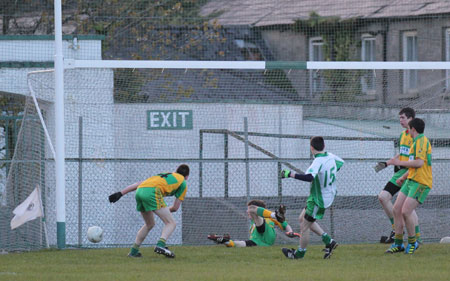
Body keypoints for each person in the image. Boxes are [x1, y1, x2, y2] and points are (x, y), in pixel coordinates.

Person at [280, 136, 344, 259]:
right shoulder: (330, 156)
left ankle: (299, 254)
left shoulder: (318, 162)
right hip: (323, 194)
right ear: (324, 146)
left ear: (311, 148)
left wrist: (290, 174)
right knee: (302, 219)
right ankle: (329, 241)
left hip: (319, 199)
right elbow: (340, 163)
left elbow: (309, 177)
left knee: (304, 227)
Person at [108, 164, 190, 258]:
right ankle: (160, 245)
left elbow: (139, 184)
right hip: (152, 192)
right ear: (187, 176)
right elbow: (175, 208)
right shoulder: (183, 182)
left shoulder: (165, 174)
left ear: (175, 171)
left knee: (149, 224)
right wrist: (163, 211)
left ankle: (134, 251)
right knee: (171, 223)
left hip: (140, 191)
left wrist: (120, 193)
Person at [385, 118, 431, 254]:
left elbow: (419, 163)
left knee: (405, 211)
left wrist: (400, 163)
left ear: (413, 130)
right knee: (396, 209)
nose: (407, 131)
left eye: (409, 129)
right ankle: (398, 244)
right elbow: (413, 165)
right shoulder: (415, 143)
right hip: (411, 179)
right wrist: (403, 177)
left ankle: (413, 242)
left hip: (421, 182)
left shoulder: (422, 141)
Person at [375, 107, 421, 244]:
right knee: (383, 197)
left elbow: (418, 161)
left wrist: (406, 174)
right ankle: (396, 229)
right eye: (399, 118)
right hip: (400, 172)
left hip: (411, 173)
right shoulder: (403, 135)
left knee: (407, 207)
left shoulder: (417, 137)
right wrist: (388, 163)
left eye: (403, 118)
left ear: (411, 119)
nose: (400, 120)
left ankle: (416, 238)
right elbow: (402, 153)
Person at [207, 199, 299, 247]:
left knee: (253, 210)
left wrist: (290, 232)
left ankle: (275, 214)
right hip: (256, 243)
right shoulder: (252, 223)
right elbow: (285, 224)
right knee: (236, 244)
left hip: (264, 232)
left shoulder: (268, 218)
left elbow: (285, 225)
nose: (247, 211)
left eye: (248, 209)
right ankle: (224, 240)